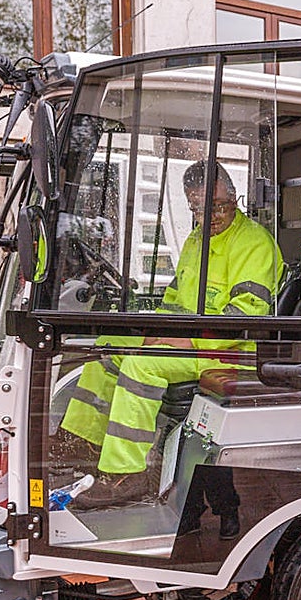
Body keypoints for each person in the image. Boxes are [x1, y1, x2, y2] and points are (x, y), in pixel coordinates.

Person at [60, 162, 283, 535]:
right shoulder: (197, 240)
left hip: (229, 351)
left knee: (142, 366)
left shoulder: (255, 243)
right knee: (109, 346)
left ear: (234, 197)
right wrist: (155, 331)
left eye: (218, 206)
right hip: (193, 342)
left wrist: (187, 341)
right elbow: (175, 301)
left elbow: (246, 315)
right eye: (198, 209)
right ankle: (84, 444)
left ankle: (126, 473)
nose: (209, 217)